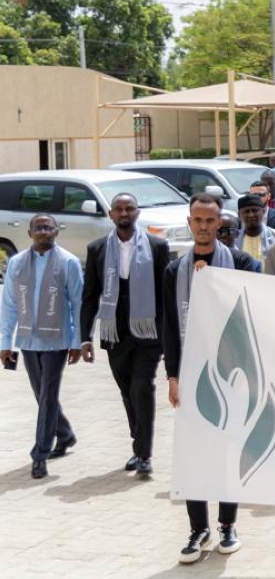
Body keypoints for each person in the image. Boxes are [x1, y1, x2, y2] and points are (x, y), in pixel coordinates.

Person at [162, 193, 258, 563]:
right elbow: (169, 327)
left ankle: (228, 525)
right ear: (189, 223)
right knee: (193, 454)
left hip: (232, 374)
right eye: (197, 221)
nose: (203, 227)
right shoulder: (175, 271)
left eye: (210, 221)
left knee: (227, 452)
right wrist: (171, 375)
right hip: (190, 374)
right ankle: (197, 529)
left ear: (220, 224)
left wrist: (215, 283)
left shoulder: (242, 263)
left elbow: (253, 312)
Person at [80, 193, 170, 476]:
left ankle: (144, 454)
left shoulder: (157, 246)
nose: (124, 213)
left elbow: (166, 294)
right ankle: (138, 446)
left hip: (148, 332)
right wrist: (85, 337)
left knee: (142, 388)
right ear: (110, 214)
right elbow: (90, 296)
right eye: (118, 209)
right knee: (127, 392)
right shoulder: (97, 249)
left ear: (137, 213)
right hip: (114, 333)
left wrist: (170, 336)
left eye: (129, 208)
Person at [0, 214, 84, 480]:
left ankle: (40, 455)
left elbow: (78, 304)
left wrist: (77, 341)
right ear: (30, 233)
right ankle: (66, 434)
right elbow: (9, 306)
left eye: (48, 227)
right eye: (38, 228)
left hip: (57, 340)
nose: (43, 232)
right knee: (42, 396)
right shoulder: (15, 263)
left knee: (47, 395)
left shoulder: (68, 262)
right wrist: (6, 342)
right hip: (28, 340)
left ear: (56, 231)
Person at [236, 194, 275, 266]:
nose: (251, 215)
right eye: (246, 211)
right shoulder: (234, 239)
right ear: (239, 215)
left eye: (255, 210)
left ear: (263, 212)